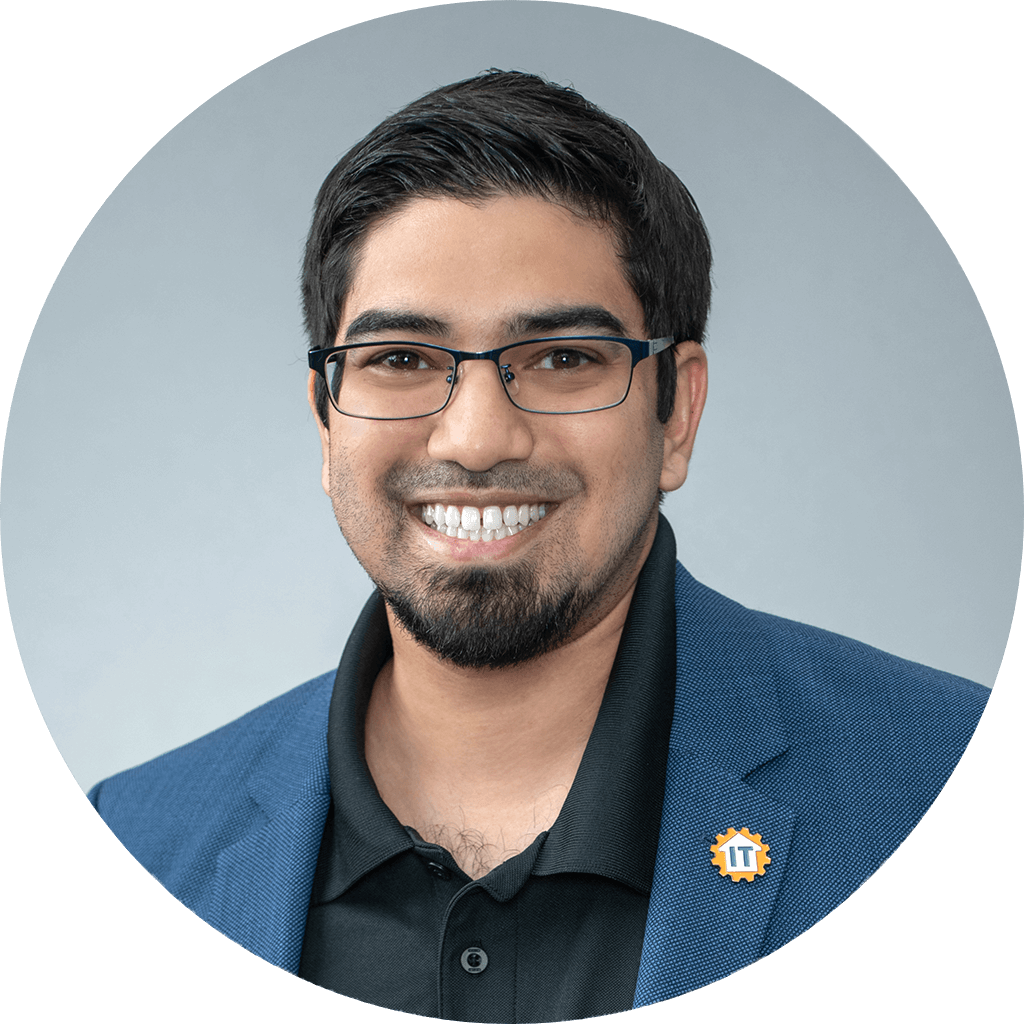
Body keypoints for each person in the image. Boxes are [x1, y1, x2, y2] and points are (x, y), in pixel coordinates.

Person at [88, 70, 990, 1018]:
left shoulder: (929, 777)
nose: (476, 439)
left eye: (563, 358)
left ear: (676, 411)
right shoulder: (145, 838)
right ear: (325, 420)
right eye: (400, 359)